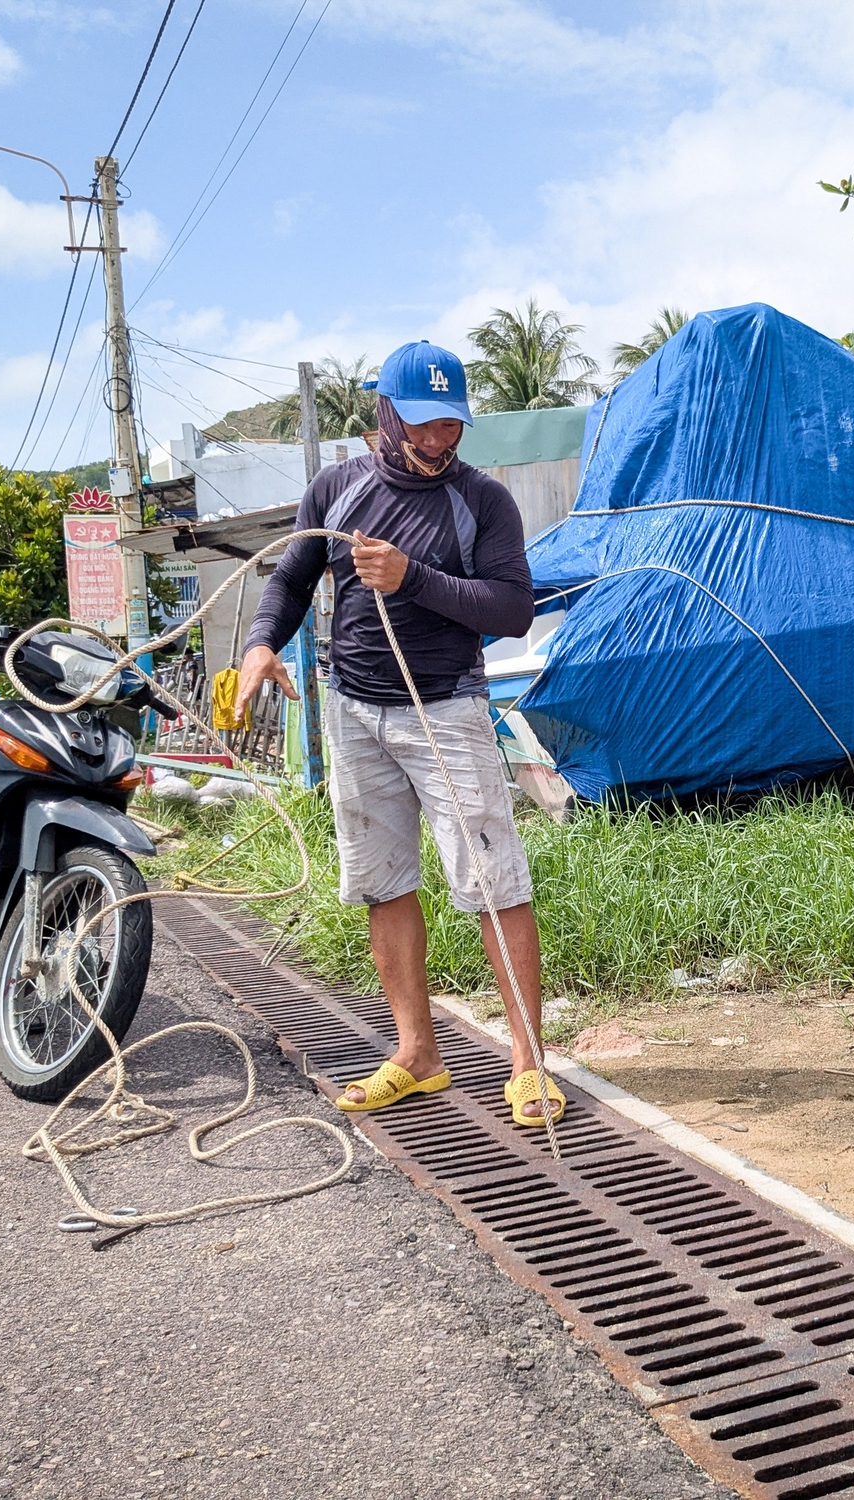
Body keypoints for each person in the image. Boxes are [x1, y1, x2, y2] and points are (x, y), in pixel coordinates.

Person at [237, 341, 563, 1127]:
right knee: (383, 881)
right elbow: (289, 578)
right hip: (351, 708)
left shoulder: (482, 501)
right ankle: (416, 1054)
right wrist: (259, 646)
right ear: (381, 413)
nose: (438, 440)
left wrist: (412, 577)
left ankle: (528, 1065)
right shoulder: (336, 489)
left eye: (452, 424)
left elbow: (512, 609)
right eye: (422, 423)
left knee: (493, 883)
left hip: (445, 708)